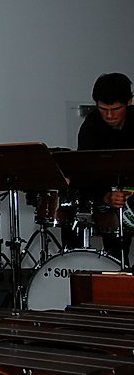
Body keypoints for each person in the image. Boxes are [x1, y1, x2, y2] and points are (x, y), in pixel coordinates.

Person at [77, 72, 134, 264]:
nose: (109, 115)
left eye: (116, 109)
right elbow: (86, 172)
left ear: (129, 102)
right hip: (110, 201)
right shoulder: (91, 126)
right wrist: (105, 196)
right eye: (103, 109)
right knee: (115, 255)